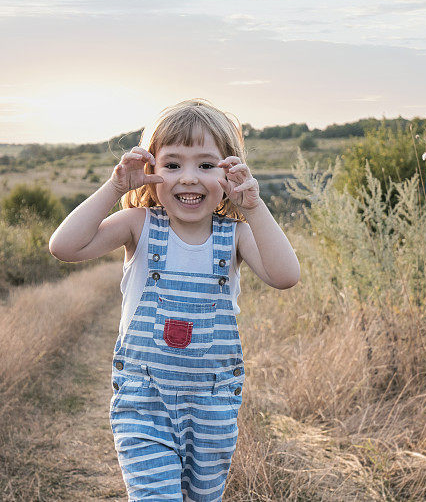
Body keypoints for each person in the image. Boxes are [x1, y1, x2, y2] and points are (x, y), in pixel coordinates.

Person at [48, 98, 300, 501]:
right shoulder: (139, 225)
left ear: (230, 172)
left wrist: (252, 206)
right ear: (150, 171)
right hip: (145, 401)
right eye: (172, 165)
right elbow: (64, 246)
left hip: (211, 407)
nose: (188, 178)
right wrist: (115, 187)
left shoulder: (234, 235)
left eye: (206, 165)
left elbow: (286, 276)